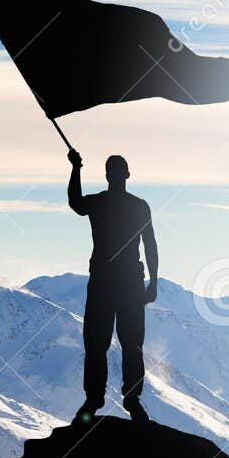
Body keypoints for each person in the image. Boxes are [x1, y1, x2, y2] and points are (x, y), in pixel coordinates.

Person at [66, 149, 158, 424]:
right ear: (127, 174)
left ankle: (94, 399)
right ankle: (131, 400)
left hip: (104, 282)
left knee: (97, 343)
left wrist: (76, 168)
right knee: (131, 344)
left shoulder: (98, 203)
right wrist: (152, 281)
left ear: (107, 175)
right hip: (129, 282)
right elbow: (150, 245)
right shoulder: (139, 206)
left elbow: (74, 202)